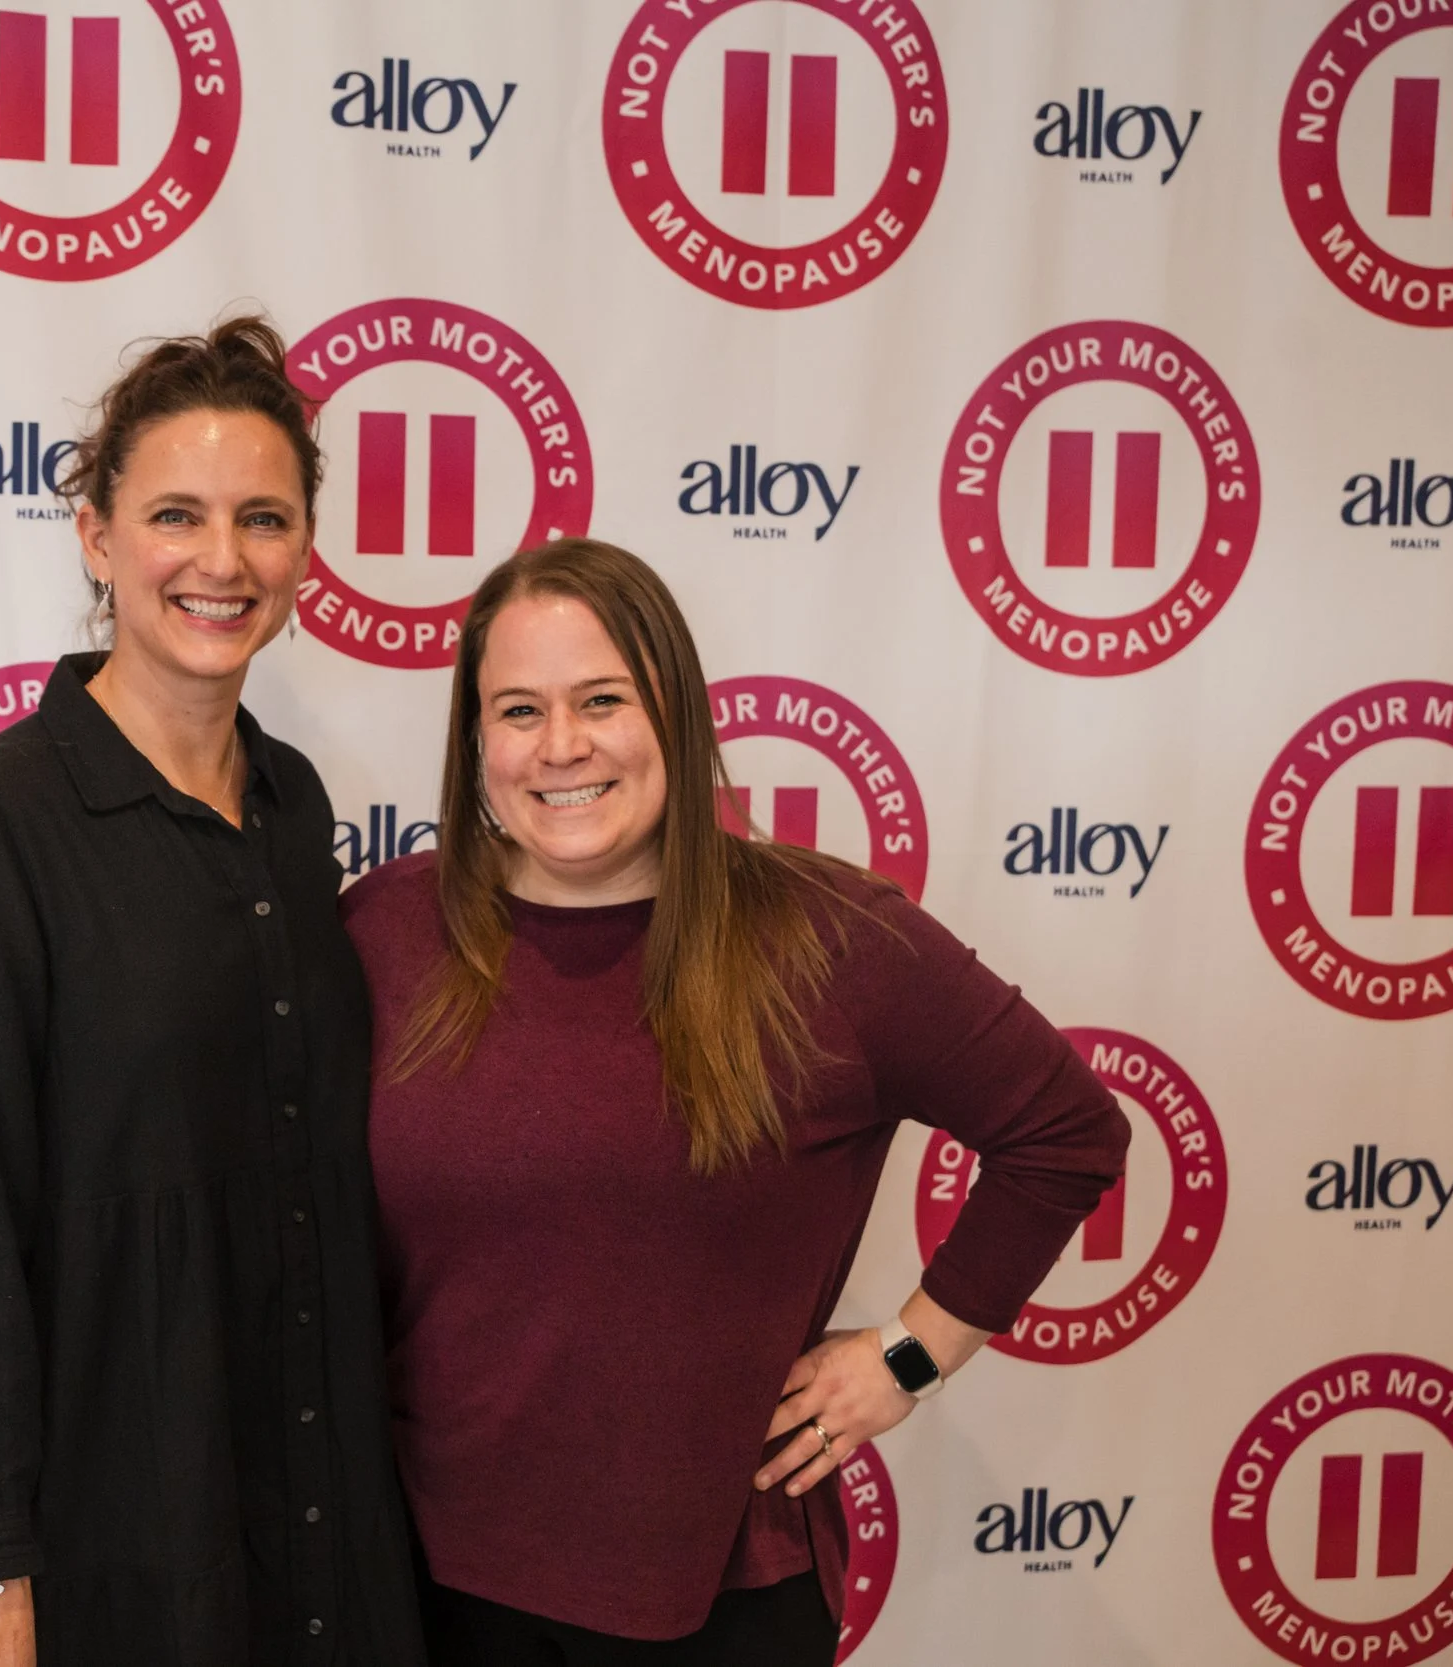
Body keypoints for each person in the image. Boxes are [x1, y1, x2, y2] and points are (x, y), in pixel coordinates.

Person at [342, 538, 1131, 1664]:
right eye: (518, 709)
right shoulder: (382, 931)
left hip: (714, 1602)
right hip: (418, 1586)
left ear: (676, 711)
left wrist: (911, 1353)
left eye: (602, 699)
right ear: (476, 740)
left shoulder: (830, 939)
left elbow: (1066, 1131)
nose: (560, 744)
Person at [0, 317, 423, 1667]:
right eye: (177, 513)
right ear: (97, 535)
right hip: (77, 1517)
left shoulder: (291, 804)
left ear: (306, 551)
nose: (223, 560)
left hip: (285, 1480)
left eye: (263, 518)